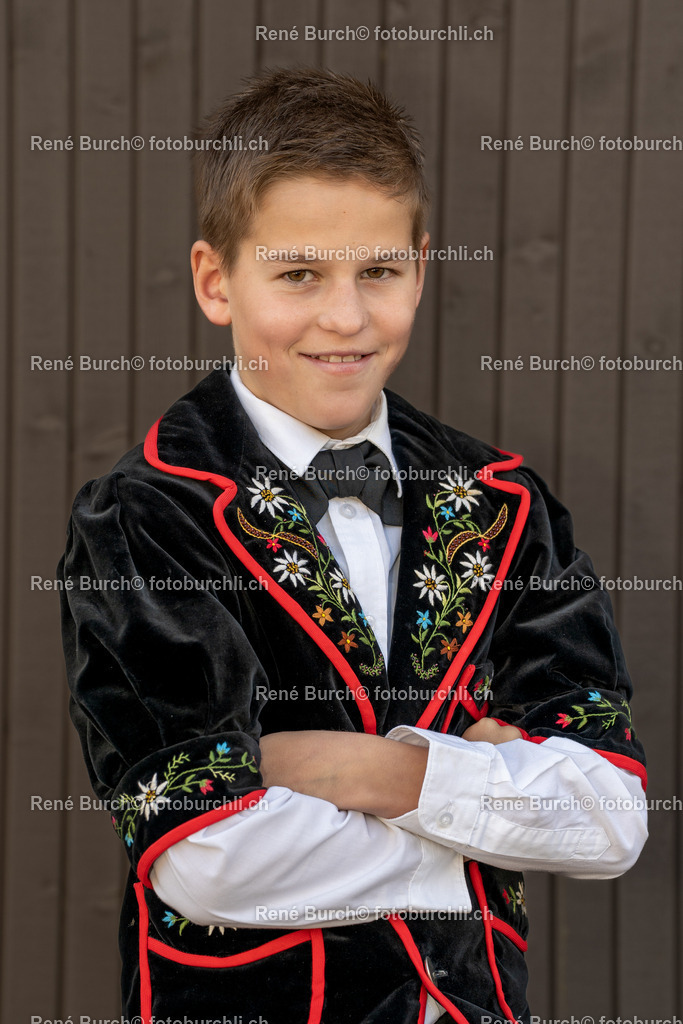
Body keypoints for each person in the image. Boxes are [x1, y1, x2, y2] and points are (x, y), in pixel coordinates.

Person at [58, 67, 647, 1024]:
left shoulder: (504, 504)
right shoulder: (145, 516)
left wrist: (360, 771)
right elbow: (207, 857)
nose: (345, 318)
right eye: (298, 274)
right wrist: (482, 801)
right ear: (216, 280)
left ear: (419, 264)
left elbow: (611, 817)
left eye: (378, 271)